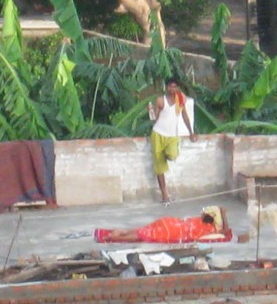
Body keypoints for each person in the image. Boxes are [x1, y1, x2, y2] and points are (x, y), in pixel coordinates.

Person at [149, 77, 197, 203]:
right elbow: (154, 120)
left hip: (172, 136)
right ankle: (164, 195)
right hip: (158, 134)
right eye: (170, 86)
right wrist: (151, 112)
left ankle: (164, 156)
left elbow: (185, 115)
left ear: (178, 88)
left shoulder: (180, 100)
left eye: (175, 86)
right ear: (166, 87)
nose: (172, 89)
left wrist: (191, 132)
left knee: (172, 155)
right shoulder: (160, 100)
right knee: (159, 168)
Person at [94, 206, 230, 243]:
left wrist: (221, 211)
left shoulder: (198, 219)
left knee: (142, 231)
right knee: (142, 236)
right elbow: (225, 232)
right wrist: (223, 214)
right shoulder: (208, 229)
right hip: (172, 231)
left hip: (169, 222)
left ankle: (122, 232)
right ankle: (115, 237)